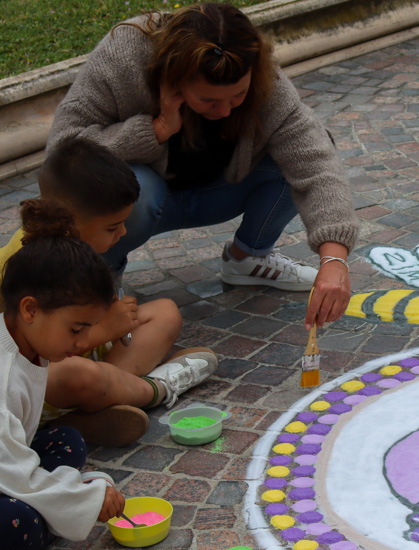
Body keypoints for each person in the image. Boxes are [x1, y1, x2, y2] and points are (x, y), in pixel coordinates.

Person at [46, 2, 359, 329]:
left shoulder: (261, 74)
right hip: (143, 203)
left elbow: (315, 160)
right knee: (123, 190)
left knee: (302, 153)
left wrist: (334, 259)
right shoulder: (124, 55)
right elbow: (62, 153)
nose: (225, 111)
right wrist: (155, 130)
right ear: (175, 80)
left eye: (238, 95)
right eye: (209, 100)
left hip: (217, 194)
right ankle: (100, 282)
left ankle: (247, 258)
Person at [0, 140, 217, 447]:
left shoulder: (76, 244)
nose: (123, 233)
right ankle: (153, 390)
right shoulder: (25, 264)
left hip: (78, 346)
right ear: (72, 221)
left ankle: (96, 404)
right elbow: (27, 350)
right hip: (37, 376)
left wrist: (110, 322)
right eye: (113, 227)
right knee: (80, 375)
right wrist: (103, 331)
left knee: (165, 312)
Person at [0, 203, 128, 550]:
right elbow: (13, 473)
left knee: (67, 440)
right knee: (20, 524)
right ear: (30, 310)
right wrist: (84, 500)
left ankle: (59, 506)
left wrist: (77, 498)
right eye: (76, 329)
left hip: (7, 460)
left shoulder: (28, 342)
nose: (83, 341)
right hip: (6, 469)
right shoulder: (2, 374)